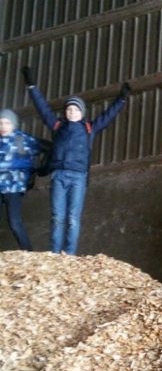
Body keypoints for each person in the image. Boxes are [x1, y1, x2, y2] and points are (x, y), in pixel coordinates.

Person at [22, 67, 130, 256]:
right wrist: (32, 87)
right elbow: (43, 109)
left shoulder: (89, 128)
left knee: (73, 218)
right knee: (57, 217)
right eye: (69, 109)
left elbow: (108, 115)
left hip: (78, 177)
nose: (71, 112)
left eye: (75, 109)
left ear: (82, 112)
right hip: (59, 176)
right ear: (65, 112)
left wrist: (121, 99)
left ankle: (69, 254)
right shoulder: (57, 126)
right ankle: (55, 254)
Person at [0, 108, 43, 251]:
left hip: (14, 187)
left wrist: (40, 169)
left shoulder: (19, 140)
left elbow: (24, 162)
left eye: (7, 123)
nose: (3, 126)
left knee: (15, 223)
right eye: (1, 123)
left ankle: (29, 252)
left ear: (14, 124)